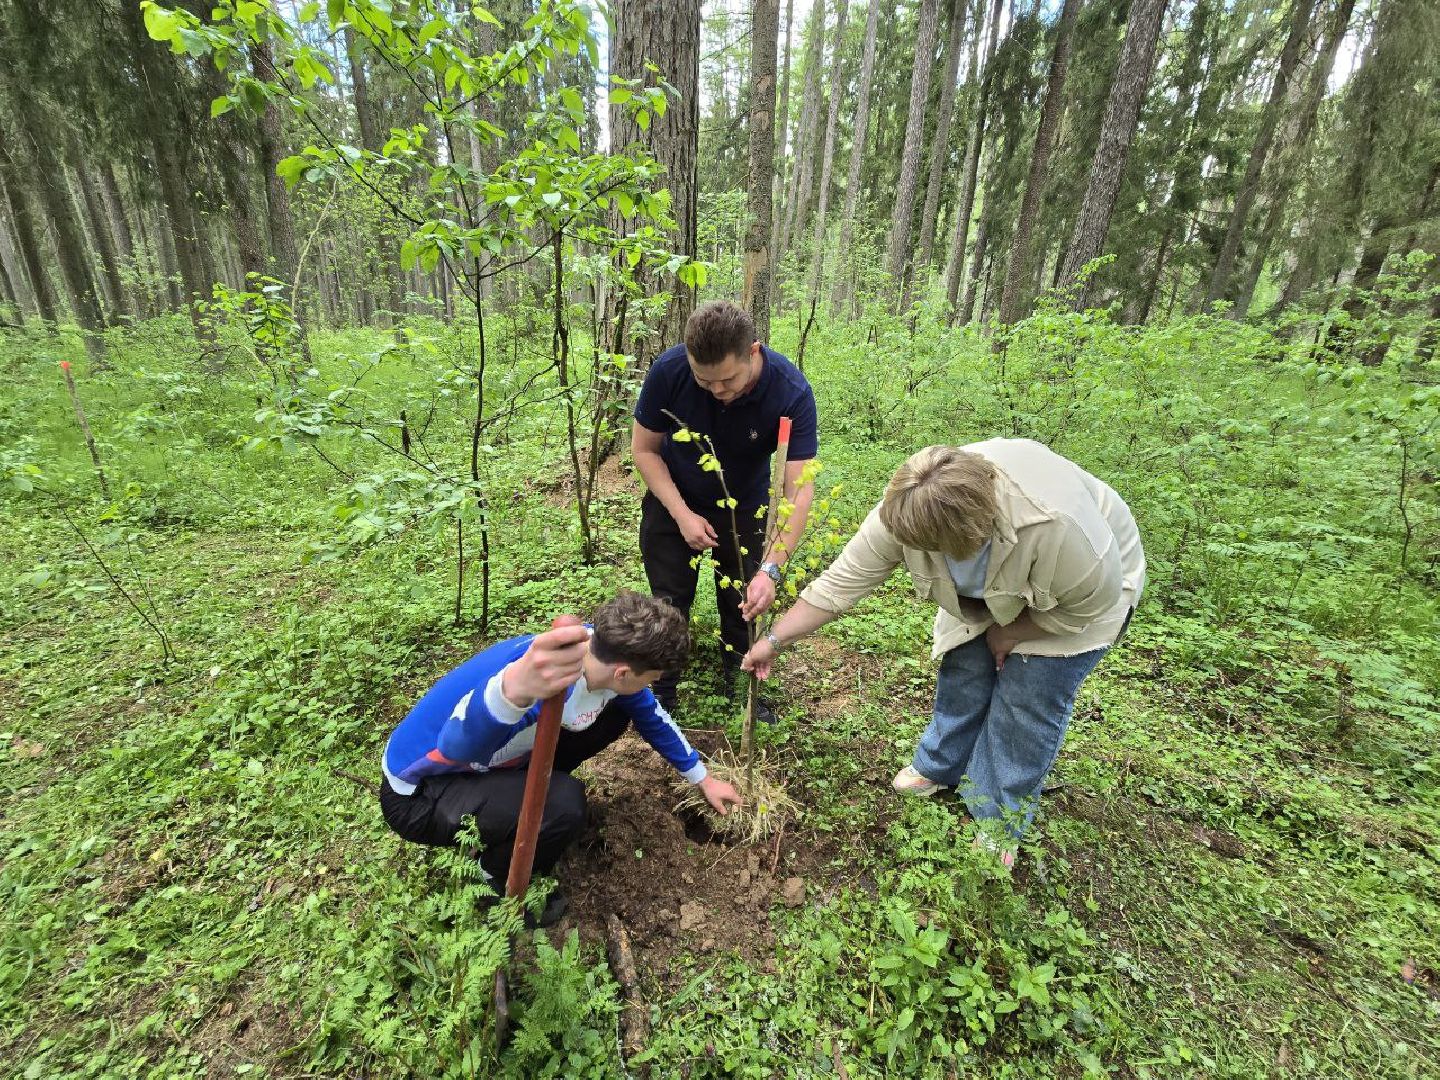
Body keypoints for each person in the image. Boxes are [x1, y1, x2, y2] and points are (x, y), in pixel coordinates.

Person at [743, 439, 1145, 867]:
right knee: (965, 668)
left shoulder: (1058, 527)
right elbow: (840, 585)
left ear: (968, 536)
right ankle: (940, 766)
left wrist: (1013, 634)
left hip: (1075, 601)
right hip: (992, 591)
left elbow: (1091, 605)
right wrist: (774, 641)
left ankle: (997, 820)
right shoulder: (910, 506)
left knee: (1026, 702)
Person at [379, 591, 743, 924]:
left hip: (485, 760)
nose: (649, 686)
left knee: (618, 711)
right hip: (423, 793)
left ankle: (515, 804)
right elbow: (456, 747)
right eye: (649, 679)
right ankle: (494, 876)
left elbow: (652, 716)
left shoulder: (598, 652)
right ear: (623, 672)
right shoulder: (544, 685)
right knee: (566, 803)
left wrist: (703, 778)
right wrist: (512, 692)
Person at [632, 300, 819, 719]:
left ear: (753, 351)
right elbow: (644, 451)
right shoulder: (669, 371)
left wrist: (771, 568)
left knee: (742, 599)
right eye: (705, 380)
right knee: (668, 599)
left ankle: (739, 682)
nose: (717, 391)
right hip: (674, 498)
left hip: (745, 506)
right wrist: (682, 514)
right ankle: (658, 693)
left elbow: (798, 489)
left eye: (728, 380)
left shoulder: (790, 391)